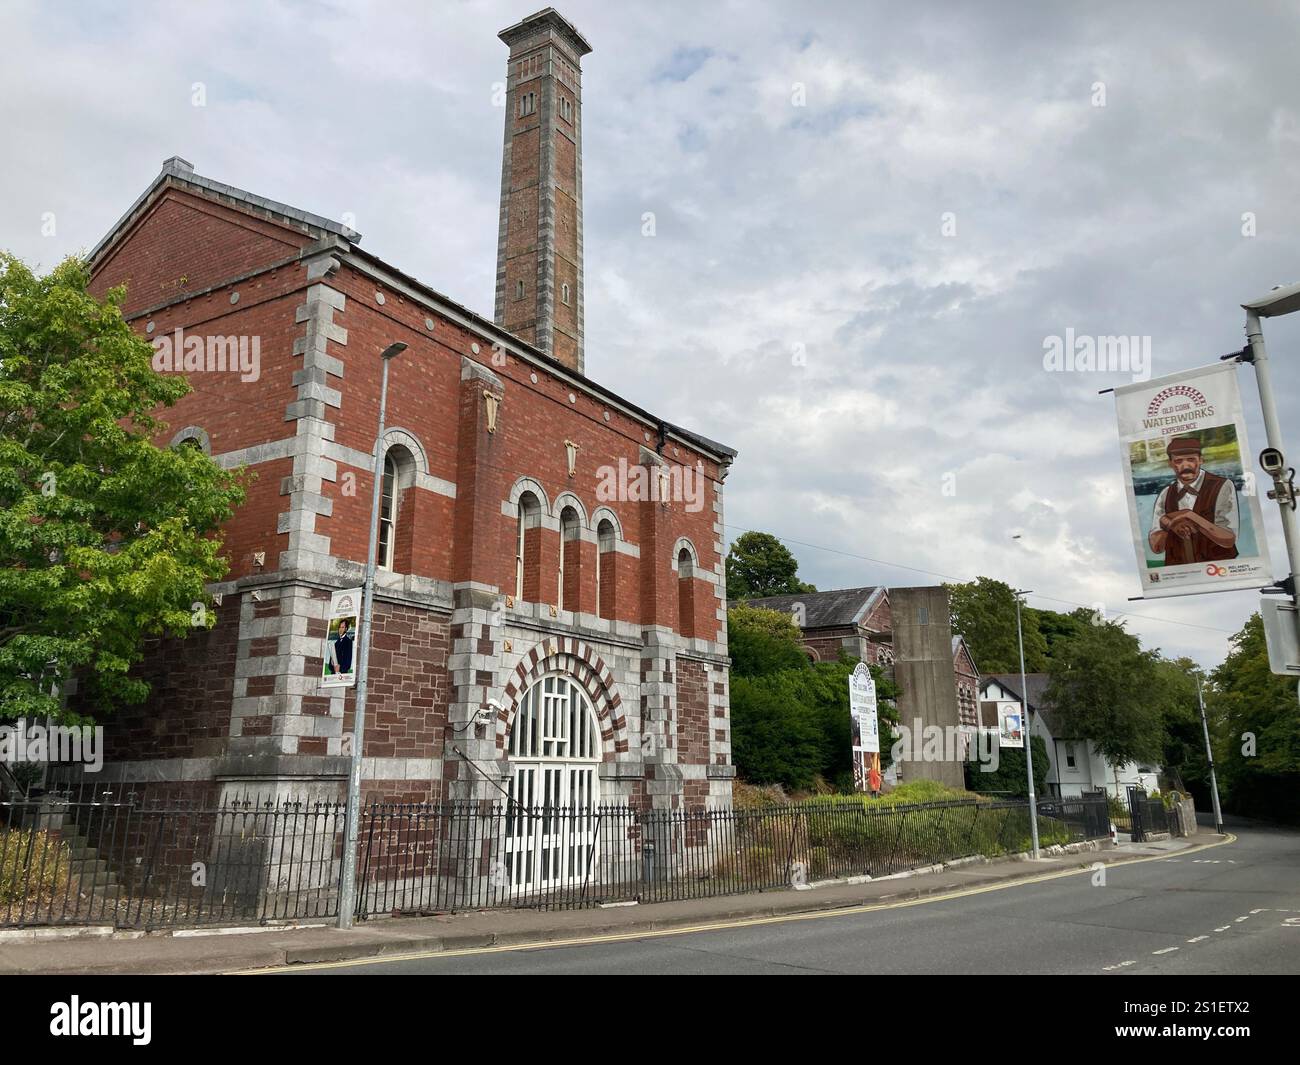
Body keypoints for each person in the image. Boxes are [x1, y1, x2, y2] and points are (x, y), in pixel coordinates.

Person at [1147, 435, 1239, 566]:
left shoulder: (1222, 486)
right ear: (1170, 463)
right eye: (1178, 461)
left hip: (1218, 571)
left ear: (1201, 460)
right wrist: (1170, 525)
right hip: (1180, 576)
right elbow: (1157, 548)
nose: (1185, 466)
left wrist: (1190, 516)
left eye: (1191, 459)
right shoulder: (1166, 494)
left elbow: (1229, 539)